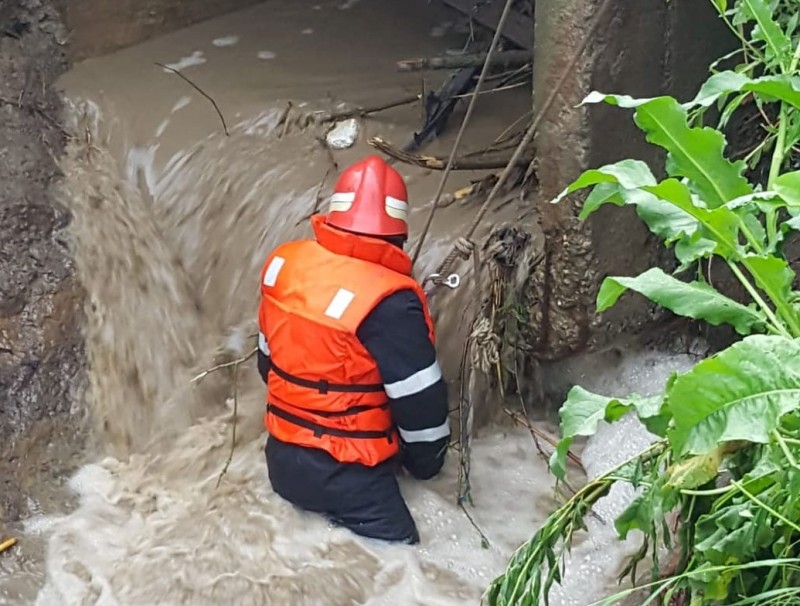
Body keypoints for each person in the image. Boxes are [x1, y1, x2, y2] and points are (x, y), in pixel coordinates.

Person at [256, 155, 450, 544]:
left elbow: (267, 364)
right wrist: (425, 467)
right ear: (399, 232)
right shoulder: (390, 302)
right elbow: (421, 406)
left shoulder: (285, 266)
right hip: (348, 479)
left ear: (333, 216)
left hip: (279, 462)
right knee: (405, 555)